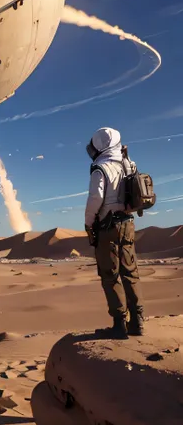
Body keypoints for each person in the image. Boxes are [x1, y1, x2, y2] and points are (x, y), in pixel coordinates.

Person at [84, 127, 144, 339]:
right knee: (130, 272)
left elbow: (95, 199)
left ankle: (120, 324)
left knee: (110, 274)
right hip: (128, 224)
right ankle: (137, 321)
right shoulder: (129, 163)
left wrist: (88, 223)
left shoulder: (101, 168)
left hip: (108, 227)